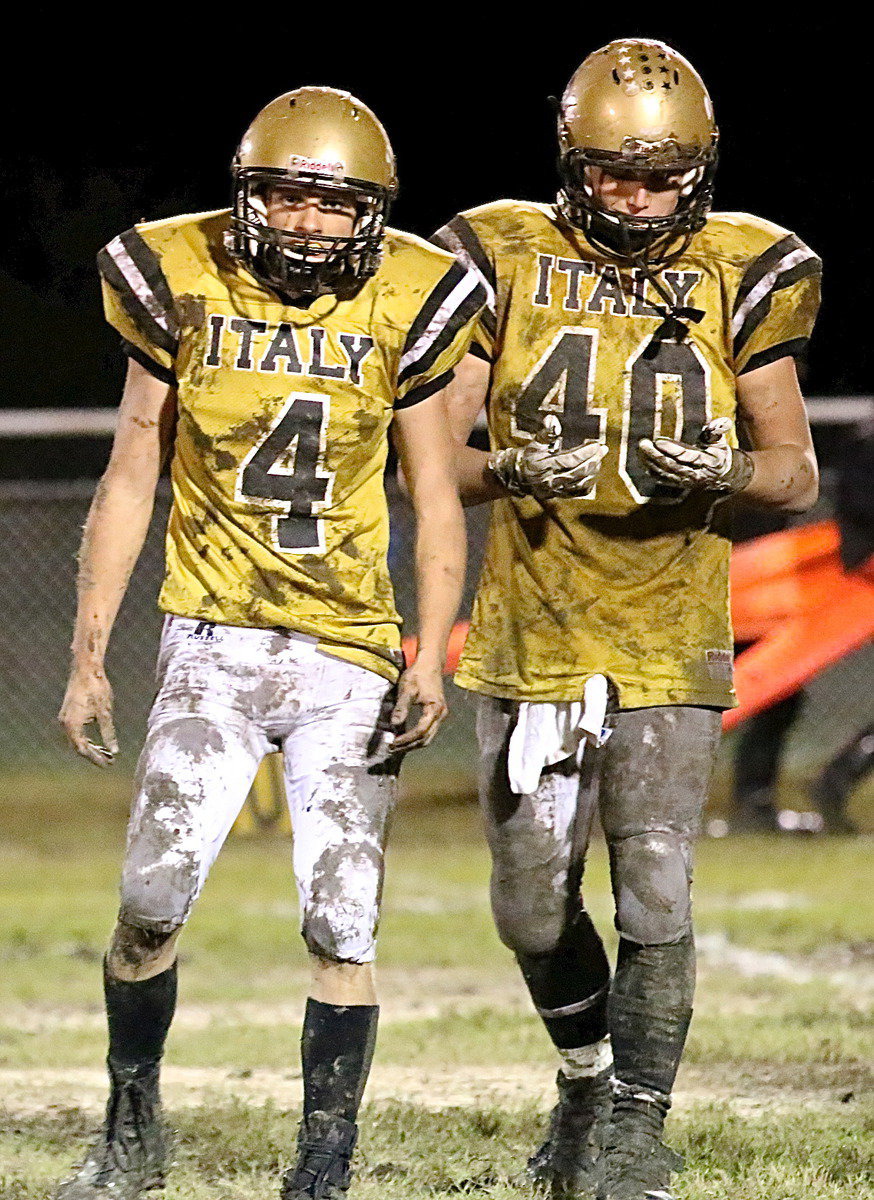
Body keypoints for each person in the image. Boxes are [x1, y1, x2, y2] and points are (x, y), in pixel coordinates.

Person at [56, 86, 485, 1200]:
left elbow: (435, 494)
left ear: (371, 213)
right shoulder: (179, 274)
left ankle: (322, 1166)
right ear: (251, 197)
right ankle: (130, 1124)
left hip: (346, 647)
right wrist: (89, 652)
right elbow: (133, 466)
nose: (303, 224)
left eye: (328, 206)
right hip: (213, 637)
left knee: (342, 917)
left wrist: (427, 649)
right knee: (150, 900)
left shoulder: (410, 294)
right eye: (284, 199)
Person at [433, 38, 820, 1200]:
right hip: (532, 618)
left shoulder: (747, 265)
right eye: (613, 174)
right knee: (527, 900)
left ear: (698, 170)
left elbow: (792, 471)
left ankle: (640, 1126)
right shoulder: (496, 251)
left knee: (654, 882)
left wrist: (722, 466)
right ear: (571, 161)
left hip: (667, 616)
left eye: (659, 177)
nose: (636, 197)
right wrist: (511, 469)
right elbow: (440, 465)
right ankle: (585, 1078)